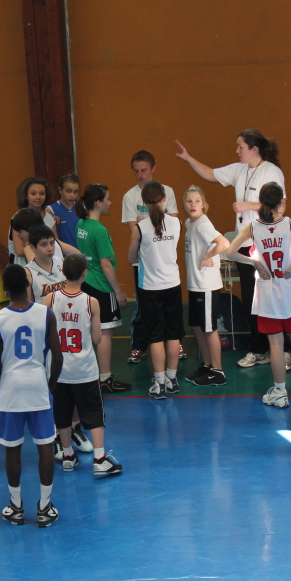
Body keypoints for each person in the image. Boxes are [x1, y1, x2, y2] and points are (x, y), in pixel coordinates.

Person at [175, 129, 291, 370]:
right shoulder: (239, 170)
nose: (237, 151)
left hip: (266, 246)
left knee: (272, 299)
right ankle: (259, 349)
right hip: (246, 246)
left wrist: (247, 205)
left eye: (240, 146)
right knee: (252, 301)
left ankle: (284, 349)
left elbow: (280, 206)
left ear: (254, 149)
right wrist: (188, 158)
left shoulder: (271, 171)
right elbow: (209, 174)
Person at [225, 183, 291, 408]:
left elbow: (230, 252)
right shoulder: (290, 224)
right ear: (281, 202)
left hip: (267, 295)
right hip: (290, 292)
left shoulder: (252, 227)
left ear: (261, 202)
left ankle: (279, 393)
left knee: (275, 344)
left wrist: (254, 262)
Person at [0, 264, 64, 527]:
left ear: (5, 289)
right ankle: (44, 507)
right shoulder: (45, 314)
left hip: (11, 389)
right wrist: (52, 383)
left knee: (13, 449)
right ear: (26, 285)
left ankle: (16, 506)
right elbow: (57, 356)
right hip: (37, 386)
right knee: (45, 447)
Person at [46, 254, 123, 475]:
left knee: (62, 413)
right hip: (84, 370)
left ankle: (68, 454)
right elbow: (98, 339)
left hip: (59, 370)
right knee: (94, 414)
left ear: (62, 272)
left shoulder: (50, 299)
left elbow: (44, 333)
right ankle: (99, 458)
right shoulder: (91, 301)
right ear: (85, 274)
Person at [25, 224, 96, 455]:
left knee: (74, 388)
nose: (49, 248)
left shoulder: (62, 264)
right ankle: (56, 434)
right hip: (47, 339)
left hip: (70, 334)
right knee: (54, 392)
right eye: (43, 244)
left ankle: (74, 428)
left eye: (52, 242)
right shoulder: (29, 272)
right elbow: (27, 309)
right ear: (32, 248)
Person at [121, 151, 184, 364]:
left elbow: (173, 220)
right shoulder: (130, 196)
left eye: (144, 170)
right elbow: (134, 228)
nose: (140, 175)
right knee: (143, 308)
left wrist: (146, 225)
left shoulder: (169, 191)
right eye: (136, 171)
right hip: (144, 263)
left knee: (170, 312)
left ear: (153, 169)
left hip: (164, 263)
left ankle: (174, 343)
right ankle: (140, 345)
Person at [127, 181, 184, 399]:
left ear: (143, 202)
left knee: (155, 336)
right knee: (173, 334)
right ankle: (172, 379)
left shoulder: (140, 227)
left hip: (150, 288)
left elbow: (131, 257)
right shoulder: (177, 222)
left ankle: (159, 383)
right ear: (164, 199)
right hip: (172, 285)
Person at [75, 183, 131, 393]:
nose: (110, 202)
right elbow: (106, 264)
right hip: (101, 286)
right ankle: (105, 378)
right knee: (105, 333)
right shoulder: (99, 230)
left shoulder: (81, 224)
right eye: (107, 199)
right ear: (98, 203)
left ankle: (90, 376)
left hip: (86, 284)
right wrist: (118, 291)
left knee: (91, 332)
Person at [182, 185, 230, 386]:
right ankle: (207, 364)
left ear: (204, 204)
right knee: (197, 325)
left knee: (209, 328)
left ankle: (218, 371)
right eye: (189, 201)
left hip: (206, 285)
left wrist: (207, 256)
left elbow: (224, 243)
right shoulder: (189, 223)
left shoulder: (202, 224)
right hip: (195, 284)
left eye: (197, 201)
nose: (193, 204)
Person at [8, 176, 57, 266]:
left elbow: (56, 245)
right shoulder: (18, 218)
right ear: (26, 195)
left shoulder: (50, 218)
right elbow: (19, 250)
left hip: (46, 268)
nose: (38, 197)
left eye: (42, 193)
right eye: (33, 193)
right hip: (22, 268)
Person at [49, 173, 81, 249]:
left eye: (75, 192)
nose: (72, 195)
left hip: (81, 255)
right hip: (63, 256)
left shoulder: (82, 209)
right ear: (60, 190)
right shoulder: (51, 210)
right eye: (68, 191)